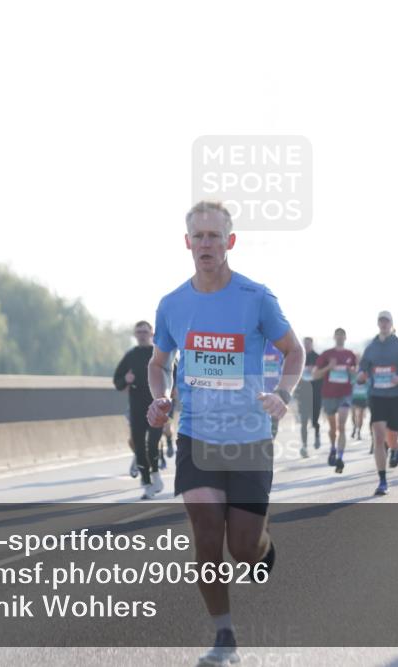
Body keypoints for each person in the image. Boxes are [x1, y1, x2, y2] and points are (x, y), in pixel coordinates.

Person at [146, 201, 303, 666]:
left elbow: (293, 353)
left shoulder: (256, 297)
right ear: (187, 242)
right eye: (200, 236)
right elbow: (159, 364)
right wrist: (161, 398)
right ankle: (224, 636)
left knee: (244, 548)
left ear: (230, 242)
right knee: (207, 535)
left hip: (250, 437)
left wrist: (283, 393)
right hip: (196, 436)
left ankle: (262, 544)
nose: (207, 244)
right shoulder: (172, 304)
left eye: (216, 236)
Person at [358, 311, 398, 496]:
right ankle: (382, 481)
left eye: (387, 321)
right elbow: (363, 367)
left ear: (392, 324)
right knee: (378, 438)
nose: (384, 324)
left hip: (397, 396)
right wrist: (361, 375)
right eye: (381, 321)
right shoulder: (371, 348)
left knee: (392, 441)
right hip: (377, 396)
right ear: (378, 324)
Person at [113, 321, 164, 499]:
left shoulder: (159, 353)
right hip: (136, 407)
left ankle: (156, 474)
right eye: (138, 332)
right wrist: (125, 379)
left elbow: (173, 374)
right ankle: (147, 484)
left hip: (156, 406)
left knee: (152, 445)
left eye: (145, 331)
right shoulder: (131, 356)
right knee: (139, 447)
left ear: (151, 333)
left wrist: (169, 396)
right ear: (135, 335)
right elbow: (117, 380)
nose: (142, 335)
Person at [312, 328, 358, 473]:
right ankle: (332, 448)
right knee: (333, 428)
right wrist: (328, 367)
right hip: (329, 394)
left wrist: (352, 372)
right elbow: (315, 375)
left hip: (345, 394)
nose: (339, 337)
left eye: (341, 335)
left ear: (345, 337)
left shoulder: (350, 355)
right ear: (334, 337)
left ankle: (340, 458)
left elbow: (356, 377)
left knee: (342, 426)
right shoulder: (326, 354)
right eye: (337, 335)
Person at [294, 337, 322, 456]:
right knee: (304, 422)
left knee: (314, 420)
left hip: (315, 393)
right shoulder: (299, 358)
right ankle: (304, 446)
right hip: (303, 394)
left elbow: (322, 375)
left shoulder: (318, 358)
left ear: (312, 344)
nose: (306, 346)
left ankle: (317, 435)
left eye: (308, 344)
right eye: (304, 344)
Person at [263, 340, 285, 439]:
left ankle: (270, 445)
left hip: (275, 392)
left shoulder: (281, 343)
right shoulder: (253, 341)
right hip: (256, 391)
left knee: (273, 424)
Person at [351, 373, 369, 444]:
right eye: (359, 376)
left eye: (362, 376)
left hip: (363, 400)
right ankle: (355, 427)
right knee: (353, 415)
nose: (361, 377)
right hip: (354, 400)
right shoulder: (354, 382)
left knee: (360, 417)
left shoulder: (367, 383)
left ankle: (359, 432)